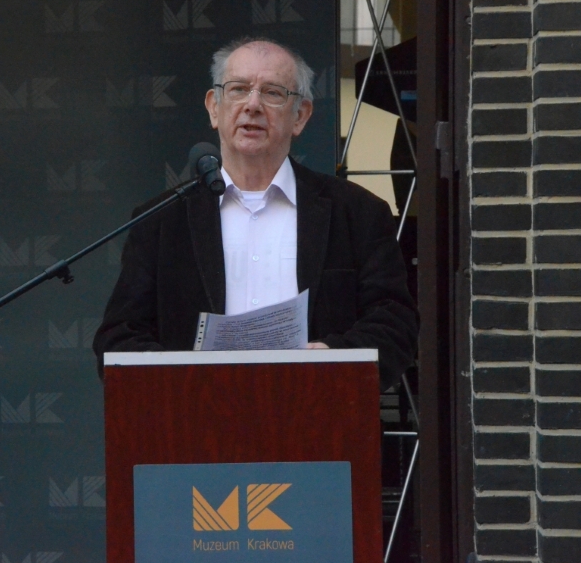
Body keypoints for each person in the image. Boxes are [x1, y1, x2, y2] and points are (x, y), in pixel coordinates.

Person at [92, 37, 417, 390]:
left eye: (273, 93)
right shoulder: (161, 220)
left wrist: (330, 358)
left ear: (300, 116)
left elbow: (395, 324)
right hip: (196, 415)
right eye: (238, 89)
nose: (252, 105)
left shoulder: (357, 213)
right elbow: (119, 338)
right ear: (214, 108)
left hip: (315, 409)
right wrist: (185, 380)